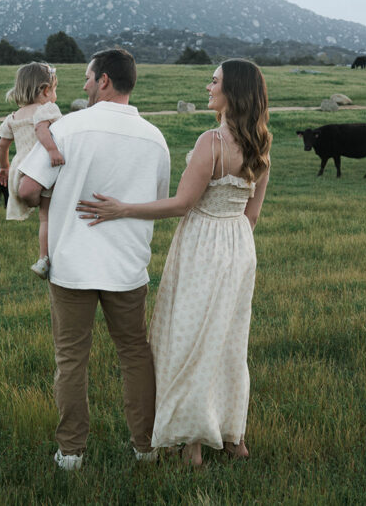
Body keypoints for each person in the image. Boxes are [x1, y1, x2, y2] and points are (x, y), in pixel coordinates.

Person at [75, 58, 271, 467]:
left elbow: (182, 204)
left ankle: (193, 445)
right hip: (238, 247)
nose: (207, 87)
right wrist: (233, 246)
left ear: (232, 91)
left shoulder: (211, 143)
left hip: (203, 247)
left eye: (214, 81)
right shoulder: (261, 142)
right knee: (228, 342)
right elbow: (251, 216)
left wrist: (122, 208)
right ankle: (235, 439)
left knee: (189, 341)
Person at [17, 48, 171, 471]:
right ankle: (145, 447)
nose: (84, 86)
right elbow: (156, 199)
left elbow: (28, 190)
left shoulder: (68, 129)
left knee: (71, 359)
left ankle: (71, 453)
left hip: (72, 266)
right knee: (135, 354)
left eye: (87, 78)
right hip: (127, 266)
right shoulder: (154, 137)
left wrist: (54, 197)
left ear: (103, 80)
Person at [0, 62, 65, 278]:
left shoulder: (13, 118)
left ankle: (44, 256)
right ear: (45, 90)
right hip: (41, 169)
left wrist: (4, 167)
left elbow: (2, 145)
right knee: (48, 216)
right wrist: (53, 150)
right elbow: (43, 131)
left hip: (20, 170)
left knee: (43, 218)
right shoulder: (47, 110)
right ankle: (45, 257)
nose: (55, 95)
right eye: (54, 89)